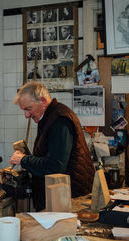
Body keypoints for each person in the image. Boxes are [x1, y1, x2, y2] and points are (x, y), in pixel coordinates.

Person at [10, 81, 95, 211]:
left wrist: (23, 159)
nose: (26, 115)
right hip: (61, 195)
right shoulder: (49, 117)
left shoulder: (59, 120)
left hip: (69, 199)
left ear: (43, 101)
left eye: (28, 109)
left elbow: (55, 166)